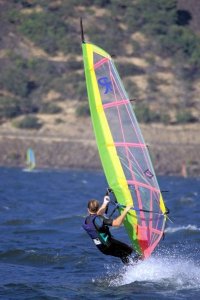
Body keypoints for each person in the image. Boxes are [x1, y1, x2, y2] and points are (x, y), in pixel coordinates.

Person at [82, 192, 140, 265]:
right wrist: (126, 210)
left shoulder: (86, 220)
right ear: (98, 208)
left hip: (101, 247)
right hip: (109, 245)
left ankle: (131, 267)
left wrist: (105, 202)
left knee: (126, 252)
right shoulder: (100, 220)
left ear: (88, 209)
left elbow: (98, 213)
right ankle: (134, 268)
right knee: (127, 252)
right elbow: (117, 223)